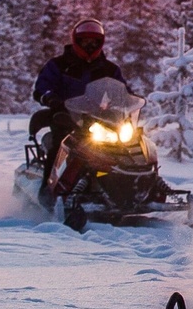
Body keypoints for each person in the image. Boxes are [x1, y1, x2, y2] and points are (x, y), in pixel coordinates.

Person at [31, 19, 127, 193]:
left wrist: (127, 101)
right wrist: (51, 99)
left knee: (126, 146)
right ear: (76, 41)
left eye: (94, 42)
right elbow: (42, 87)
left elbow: (121, 90)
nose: (89, 45)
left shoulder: (109, 69)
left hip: (98, 119)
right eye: (85, 41)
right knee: (60, 145)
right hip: (65, 116)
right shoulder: (59, 65)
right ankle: (47, 189)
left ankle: (130, 185)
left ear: (101, 43)